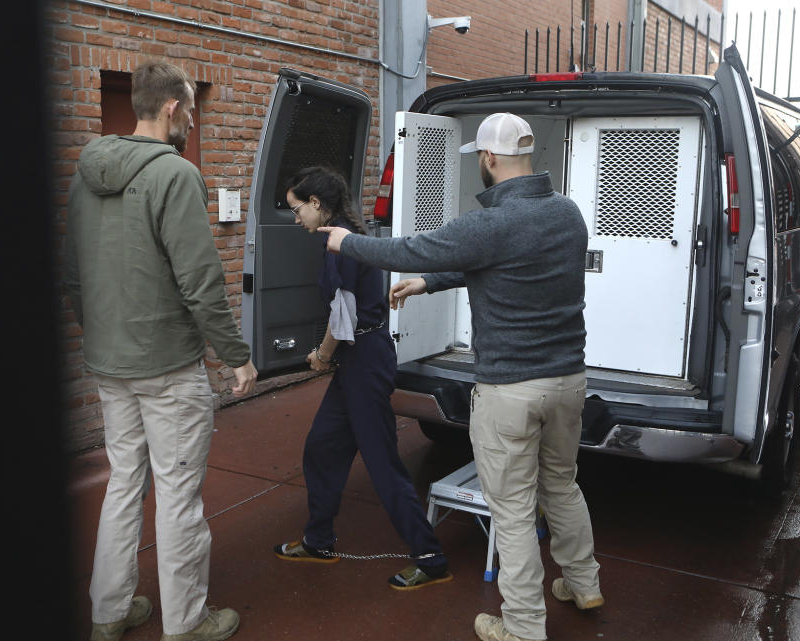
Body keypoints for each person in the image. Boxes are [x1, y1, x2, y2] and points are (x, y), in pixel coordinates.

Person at [318, 113, 603, 641]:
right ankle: (585, 584)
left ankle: (522, 627)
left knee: (513, 512)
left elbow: (408, 249)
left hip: (510, 391)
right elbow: (494, 263)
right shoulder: (567, 214)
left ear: (489, 159)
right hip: (568, 382)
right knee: (562, 486)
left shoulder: (488, 223)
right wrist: (427, 283)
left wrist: (345, 242)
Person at [65, 60, 258, 641]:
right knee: (178, 494)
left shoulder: (84, 175)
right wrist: (235, 354)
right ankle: (188, 622)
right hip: (169, 367)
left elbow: (73, 275)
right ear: (172, 108)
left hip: (109, 362)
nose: (193, 121)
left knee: (124, 484)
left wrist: (100, 334)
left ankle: (109, 611)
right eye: (192, 110)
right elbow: (200, 281)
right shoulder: (176, 175)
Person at [272, 166, 451, 590]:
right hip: (358, 359)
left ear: (317, 204)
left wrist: (321, 354)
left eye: (297, 209)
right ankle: (318, 540)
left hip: (364, 358)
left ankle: (430, 558)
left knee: (381, 462)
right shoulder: (340, 237)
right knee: (322, 446)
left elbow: (344, 315)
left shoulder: (344, 245)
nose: (295, 218)